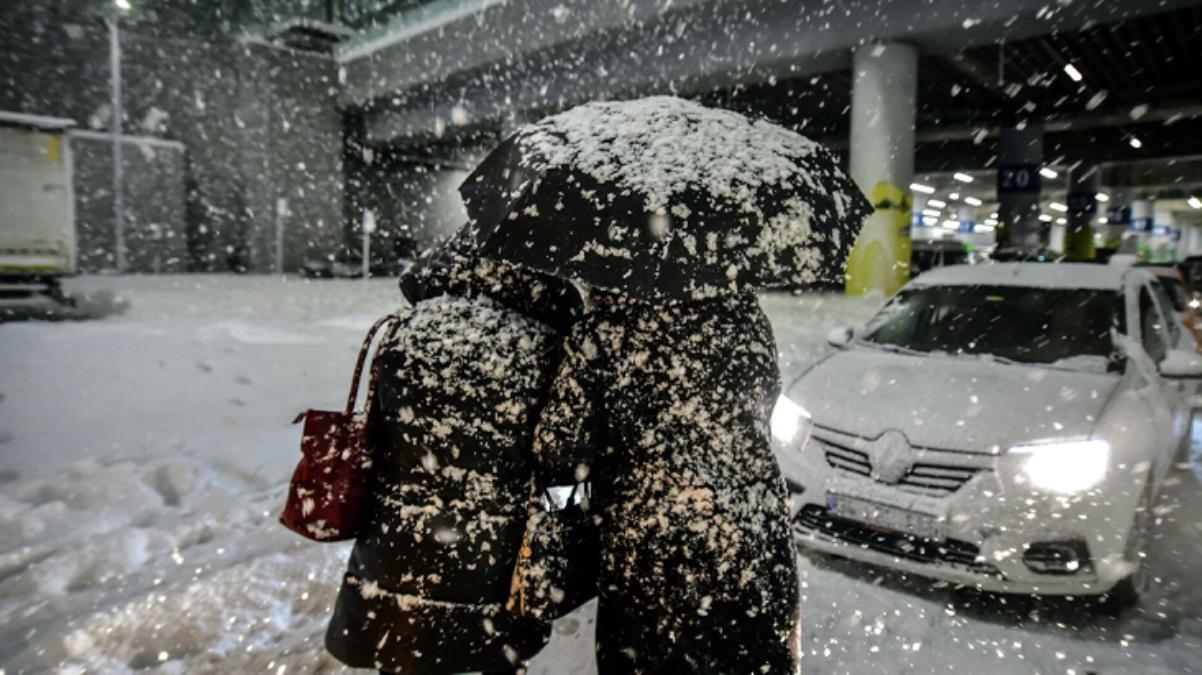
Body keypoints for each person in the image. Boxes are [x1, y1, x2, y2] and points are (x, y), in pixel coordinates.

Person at [324, 227, 581, 674]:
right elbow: (556, 461)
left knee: (402, 650)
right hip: (489, 560)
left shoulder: (408, 329)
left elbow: (383, 437)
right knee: (484, 655)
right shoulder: (542, 347)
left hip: (396, 553)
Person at [532, 289, 802, 674]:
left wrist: (590, 494)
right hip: (752, 538)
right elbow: (762, 407)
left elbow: (559, 448)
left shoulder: (605, 331)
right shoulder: (746, 319)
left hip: (651, 550)